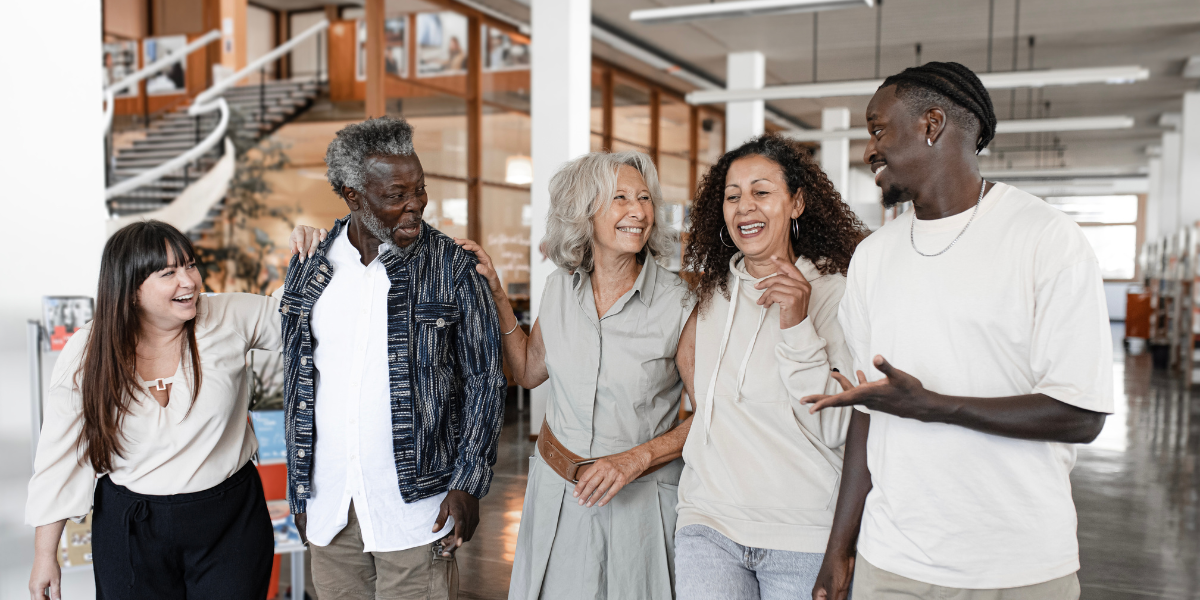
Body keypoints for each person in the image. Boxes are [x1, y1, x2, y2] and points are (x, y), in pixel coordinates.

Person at [805, 62, 1111, 600]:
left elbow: (1080, 415)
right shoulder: (874, 257)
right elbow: (868, 410)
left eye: (878, 130)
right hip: (893, 562)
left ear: (932, 124)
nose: (868, 150)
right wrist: (840, 550)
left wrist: (935, 405)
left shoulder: (1045, 238)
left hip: (1018, 568)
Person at [279, 116, 506, 600]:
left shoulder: (452, 267)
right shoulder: (310, 268)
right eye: (395, 195)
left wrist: (470, 482)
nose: (415, 206)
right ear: (353, 196)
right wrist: (301, 491)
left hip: (418, 508)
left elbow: (485, 380)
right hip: (331, 506)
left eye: (420, 190)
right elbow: (297, 382)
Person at [457, 151, 696, 600]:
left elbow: (711, 415)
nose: (638, 211)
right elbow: (528, 371)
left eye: (644, 198)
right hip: (557, 494)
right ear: (585, 212)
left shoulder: (679, 303)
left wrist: (634, 460)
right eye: (620, 198)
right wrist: (497, 295)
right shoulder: (559, 288)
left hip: (640, 502)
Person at [27, 220, 278, 600]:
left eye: (190, 265)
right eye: (169, 273)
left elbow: (314, 322)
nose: (189, 281)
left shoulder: (231, 315)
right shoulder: (88, 350)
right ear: (130, 290)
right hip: (131, 527)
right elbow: (59, 455)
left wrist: (319, 253)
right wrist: (45, 555)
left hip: (229, 521)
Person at [672, 134, 868, 600]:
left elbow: (839, 425)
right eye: (733, 195)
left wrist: (796, 324)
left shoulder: (836, 293)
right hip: (708, 522)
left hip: (801, 535)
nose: (745, 207)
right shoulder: (713, 291)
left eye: (762, 192)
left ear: (796, 202)